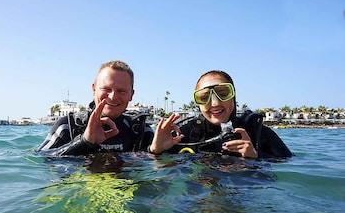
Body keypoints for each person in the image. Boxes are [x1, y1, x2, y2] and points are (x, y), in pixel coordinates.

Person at [148, 70, 293, 158]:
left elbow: (290, 163)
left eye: (223, 93)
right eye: (204, 97)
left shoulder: (257, 132)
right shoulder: (185, 133)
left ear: (233, 96)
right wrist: (155, 150)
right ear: (198, 103)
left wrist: (255, 156)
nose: (215, 103)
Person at [37, 60, 154, 157]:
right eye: (106, 89)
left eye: (121, 91)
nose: (112, 97)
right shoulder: (68, 126)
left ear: (131, 95)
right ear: (94, 89)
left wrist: (157, 151)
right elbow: (41, 157)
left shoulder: (141, 131)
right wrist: (84, 142)